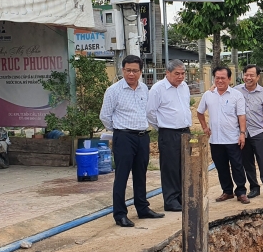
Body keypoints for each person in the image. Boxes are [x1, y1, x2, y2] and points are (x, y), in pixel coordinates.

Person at [100, 54, 164, 228]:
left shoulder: (144, 88)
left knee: (140, 174)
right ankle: (120, 214)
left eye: (135, 71)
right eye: (128, 70)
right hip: (124, 137)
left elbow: (148, 111)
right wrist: (120, 130)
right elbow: (105, 116)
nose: (131, 74)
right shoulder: (113, 90)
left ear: (141, 72)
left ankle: (142, 208)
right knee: (121, 176)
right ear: (122, 70)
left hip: (143, 137)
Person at [197, 66, 250, 204]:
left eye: (223, 78)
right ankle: (227, 191)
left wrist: (242, 133)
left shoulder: (236, 95)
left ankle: (241, 192)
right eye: (217, 78)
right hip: (215, 139)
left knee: (237, 165)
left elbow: (241, 116)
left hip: (233, 138)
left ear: (229, 79)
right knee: (221, 167)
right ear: (214, 79)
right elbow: (200, 112)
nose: (220, 80)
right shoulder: (208, 95)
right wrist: (204, 127)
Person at [147, 59, 192, 212]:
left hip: (185, 131)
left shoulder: (184, 87)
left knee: (185, 166)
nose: (180, 77)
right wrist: (162, 127)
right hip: (169, 133)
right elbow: (150, 113)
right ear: (167, 73)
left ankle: (182, 197)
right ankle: (171, 200)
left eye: (183, 73)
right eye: (177, 74)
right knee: (170, 167)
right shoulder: (158, 89)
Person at [235, 65, 263, 200]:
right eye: (246, 75)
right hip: (242, 134)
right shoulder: (236, 91)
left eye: (252, 75)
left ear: (258, 77)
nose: (248, 78)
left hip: (258, 133)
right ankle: (254, 188)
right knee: (247, 162)